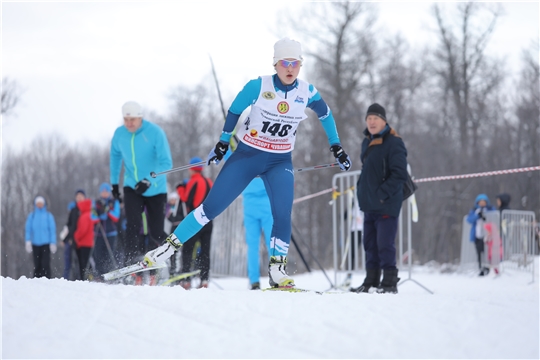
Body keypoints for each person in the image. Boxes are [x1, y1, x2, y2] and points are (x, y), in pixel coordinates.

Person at [142, 37, 352, 289]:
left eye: (295, 63)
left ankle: (277, 270)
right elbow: (234, 109)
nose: (290, 68)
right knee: (209, 209)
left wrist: (336, 146)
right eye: (285, 62)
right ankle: (165, 251)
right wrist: (223, 141)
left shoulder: (306, 92)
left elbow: (326, 114)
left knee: (282, 213)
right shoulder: (258, 86)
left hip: (279, 161)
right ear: (275, 64)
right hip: (247, 156)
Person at [351, 103, 408, 294]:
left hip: (386, 203)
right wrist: (362, 191)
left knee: (384, 243)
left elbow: (399, 174)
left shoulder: (394, 142)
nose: (371, 122)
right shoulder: (367, 141)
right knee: (370, 243)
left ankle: (390, 282)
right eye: (369, 119)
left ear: (384, 121)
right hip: (369, 203)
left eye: (375, 118)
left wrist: (382, 194)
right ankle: (371, 281)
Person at [110, 101, 173, 266]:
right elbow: (115, 158)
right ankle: (131, 263)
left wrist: (149, 180)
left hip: (156, 188)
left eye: (133, 120)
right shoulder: (119, 134)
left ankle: (173, 257)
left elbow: (166, 163)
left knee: (156, 232)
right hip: (132, 186)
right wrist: (114, 184)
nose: (129, 123)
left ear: (141, 118)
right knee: (132, 225)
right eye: (126, 119)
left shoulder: (155, 133)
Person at [177, 157, 214, 289]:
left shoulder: (193, 181)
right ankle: (204, 280)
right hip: (209, 221)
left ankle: (186, 279)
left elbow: (186, 198)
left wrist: (180, 188)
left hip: (195, 220)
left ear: (192, 168)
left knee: (188, 249)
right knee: (205, 251)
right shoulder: (209, 182)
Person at [242, 177, 273, 290]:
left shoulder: (243, 160)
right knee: (273, 243)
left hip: (249, 205)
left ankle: (254, 281)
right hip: (268, 203)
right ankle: (277, 276)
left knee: (252, 246)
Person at [66, 189, 96, 280]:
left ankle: (88, 277)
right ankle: (86, 277)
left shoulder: (85, 215)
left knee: (85, 262)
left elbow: (82, 230)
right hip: (83, 242)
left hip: (84, 242)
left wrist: (75, 236)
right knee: (84, 262)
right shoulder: (84, 213)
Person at [93, 182, 121, 279]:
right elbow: (92, 217)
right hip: (99, 233)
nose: (104, 194)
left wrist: (107, 211)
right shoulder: (96, 203)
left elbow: (116, 217)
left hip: (111, 233)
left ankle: (110, 275)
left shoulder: (114, 202)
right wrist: (99, 215)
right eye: (103, 192)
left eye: (106, 192)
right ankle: (99, 275)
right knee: (98, 255)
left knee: (110, 255)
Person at [24, 195, 57, 278]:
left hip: (46, 243)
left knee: (45, 264)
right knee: (37, 264)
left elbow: (52, 230)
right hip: (35, 243)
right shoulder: (32, 216)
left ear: (44, 204)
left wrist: (53, 242)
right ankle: (36, 281)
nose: (39, 205)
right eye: (38, 203)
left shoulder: (48, 216)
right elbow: (28, 229)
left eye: (41, 203)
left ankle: (47, 279)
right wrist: (28, 241)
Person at [466, 194, 496, 276]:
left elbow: (495, 217)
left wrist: (486, 216)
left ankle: (489, 268)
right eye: (480, 202)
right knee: (479, 252)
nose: (482, 204)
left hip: (488, 235)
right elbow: (469, 219)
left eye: (484, 202)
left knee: (488, 252)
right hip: (478, 235)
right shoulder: (474, 210)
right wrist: (477, 216)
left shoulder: (490, 209)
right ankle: (481, 268)